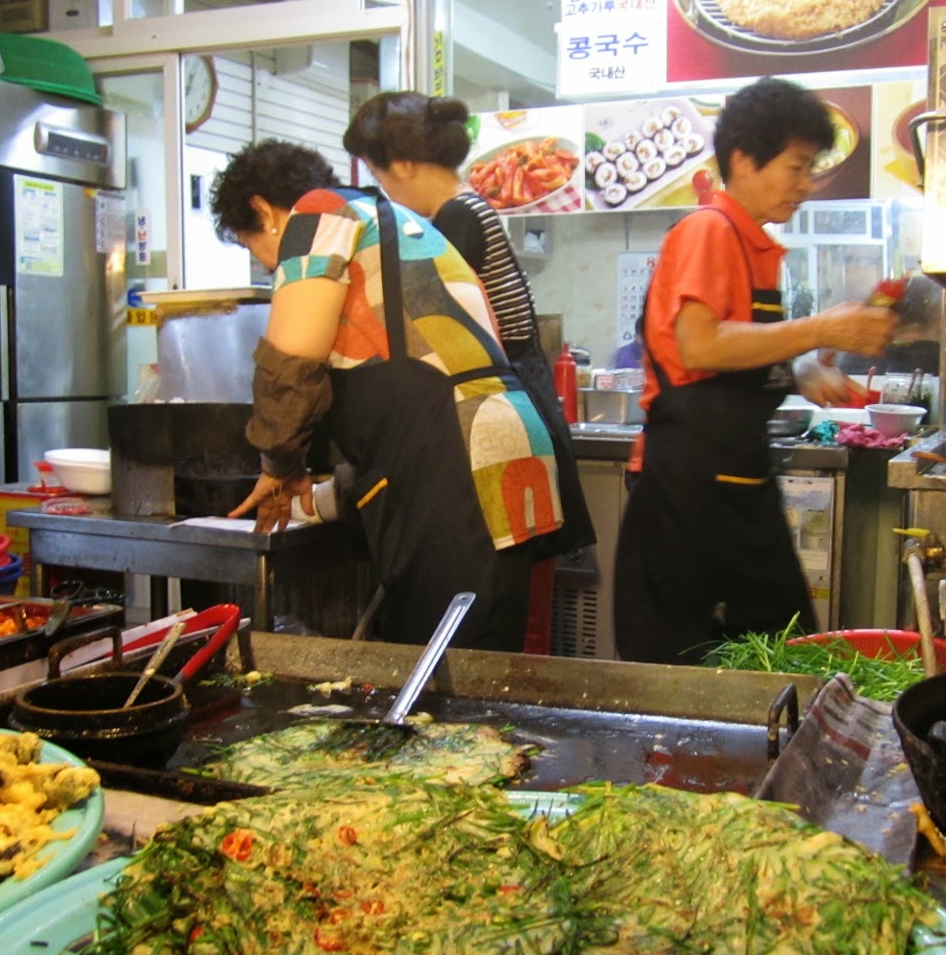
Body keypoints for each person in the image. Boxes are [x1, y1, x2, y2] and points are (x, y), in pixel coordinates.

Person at [210, 139, 563, 651]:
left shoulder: (318, 213)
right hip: (495, 450)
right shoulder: (389, 219)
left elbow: (290, 363)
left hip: (453, 458)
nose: (268, 267)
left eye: (251, 247)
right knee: (479, 659)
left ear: (263, 211)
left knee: (439, 669)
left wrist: (278, 463)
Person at [613, 77, 897, 666]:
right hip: (687, 494)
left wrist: (793, 370)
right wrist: (821, 329)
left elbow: (735, 345)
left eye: (811, 168)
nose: (805, 185)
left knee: (772, 652)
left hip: (733, 482)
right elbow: (698, 345)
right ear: (743, 160)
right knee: (688, 664)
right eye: (795, 168)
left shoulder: (750, 246)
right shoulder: (709, 230)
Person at [341, 91, 594, 558]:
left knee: (516, 591)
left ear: (401, 166)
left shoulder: (457, 219)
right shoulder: (468, 209)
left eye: (376, 173)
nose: (384, 190)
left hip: (509, 413)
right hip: (520, 406)